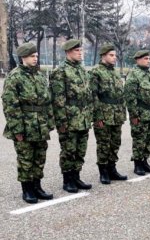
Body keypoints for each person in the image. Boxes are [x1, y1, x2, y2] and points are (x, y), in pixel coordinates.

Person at [2, 43, 54, 203]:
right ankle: (27, 190)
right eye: (32, 56)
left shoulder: (39, 76)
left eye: (36, 56)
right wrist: (17, 129)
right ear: (23, 57)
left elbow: (47, 101)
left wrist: (49, 122)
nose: (35, 59)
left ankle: (37, 187)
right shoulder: (15, 76)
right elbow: (10, 105)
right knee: (26, 159)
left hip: (40, 125)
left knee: (39, 157)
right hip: (25, 126)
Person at [50, 39, 93, 193]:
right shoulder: (60, 72)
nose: (80, 53)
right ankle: (67, 180)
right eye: (77, 51)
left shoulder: (82, 70)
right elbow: (58, 100)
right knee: (69, 150)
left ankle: (76, 177)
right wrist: (61, 122)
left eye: (81, 50)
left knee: (80, 150)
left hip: (83, 118)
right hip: (69, 119)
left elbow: (88, 96)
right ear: (68, 52)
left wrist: (89, 115)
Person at [89, 43, 128, 184]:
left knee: (115, 143)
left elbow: (120, 95)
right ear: (103, 56)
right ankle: (103, 172)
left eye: (115, 55)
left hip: (116, 115)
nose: (114, 58)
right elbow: (93, 96)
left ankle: (112, 169)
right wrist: (98, 116)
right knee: (104, 144)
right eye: (111, 55)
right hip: (104, 115)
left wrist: (123, 113)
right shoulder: (95, 72)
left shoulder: (115, 72)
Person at [124, 50, 150, 176]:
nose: (149, 60)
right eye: (146, 58)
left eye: (149, 58)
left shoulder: (149, 73)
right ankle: (138, 164)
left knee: (149, 140)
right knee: (139, 140)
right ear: (138, 60)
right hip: (140, 113)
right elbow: (130, 97)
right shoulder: (134, 74)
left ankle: (145, 161)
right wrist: (133, 115)